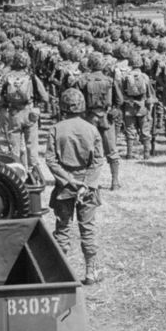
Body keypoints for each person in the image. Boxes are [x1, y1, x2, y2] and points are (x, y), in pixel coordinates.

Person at [45, 88, 104, 285]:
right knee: (87, 228)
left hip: (64, 187)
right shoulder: (91, 129)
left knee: (62, 229)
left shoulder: (55, 128)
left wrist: (69, 180)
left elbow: (51, 160)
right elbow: (97, 161)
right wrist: (85, 184)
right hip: (87, 187)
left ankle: (58, 274)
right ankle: (91, 272)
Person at [78, 52, 123, 190]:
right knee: (111, 150)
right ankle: (114, 182)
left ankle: (88, 182)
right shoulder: (110, 80)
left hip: (89, 118)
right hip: (106, 117)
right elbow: (120, 100)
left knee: (87, 149)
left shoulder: (83, 80)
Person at [0, 51, 49, 173]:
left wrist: (5, 103)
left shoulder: (7, 77)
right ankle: (34, 173)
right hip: (29, 113)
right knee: (31, 146)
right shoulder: (31, 77)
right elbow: (45, 97)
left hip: (13, 114)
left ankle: (16, 173)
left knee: (14, 147)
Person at [121, 53, 155, 160]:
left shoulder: (125, 77)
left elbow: (122, 93)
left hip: (129, 107)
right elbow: (150, 95)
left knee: (130, 131)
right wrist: (149, 109)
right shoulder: (144, 77)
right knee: (145, 131)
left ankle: (129, 154)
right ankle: (146, 154)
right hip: (142, 107)